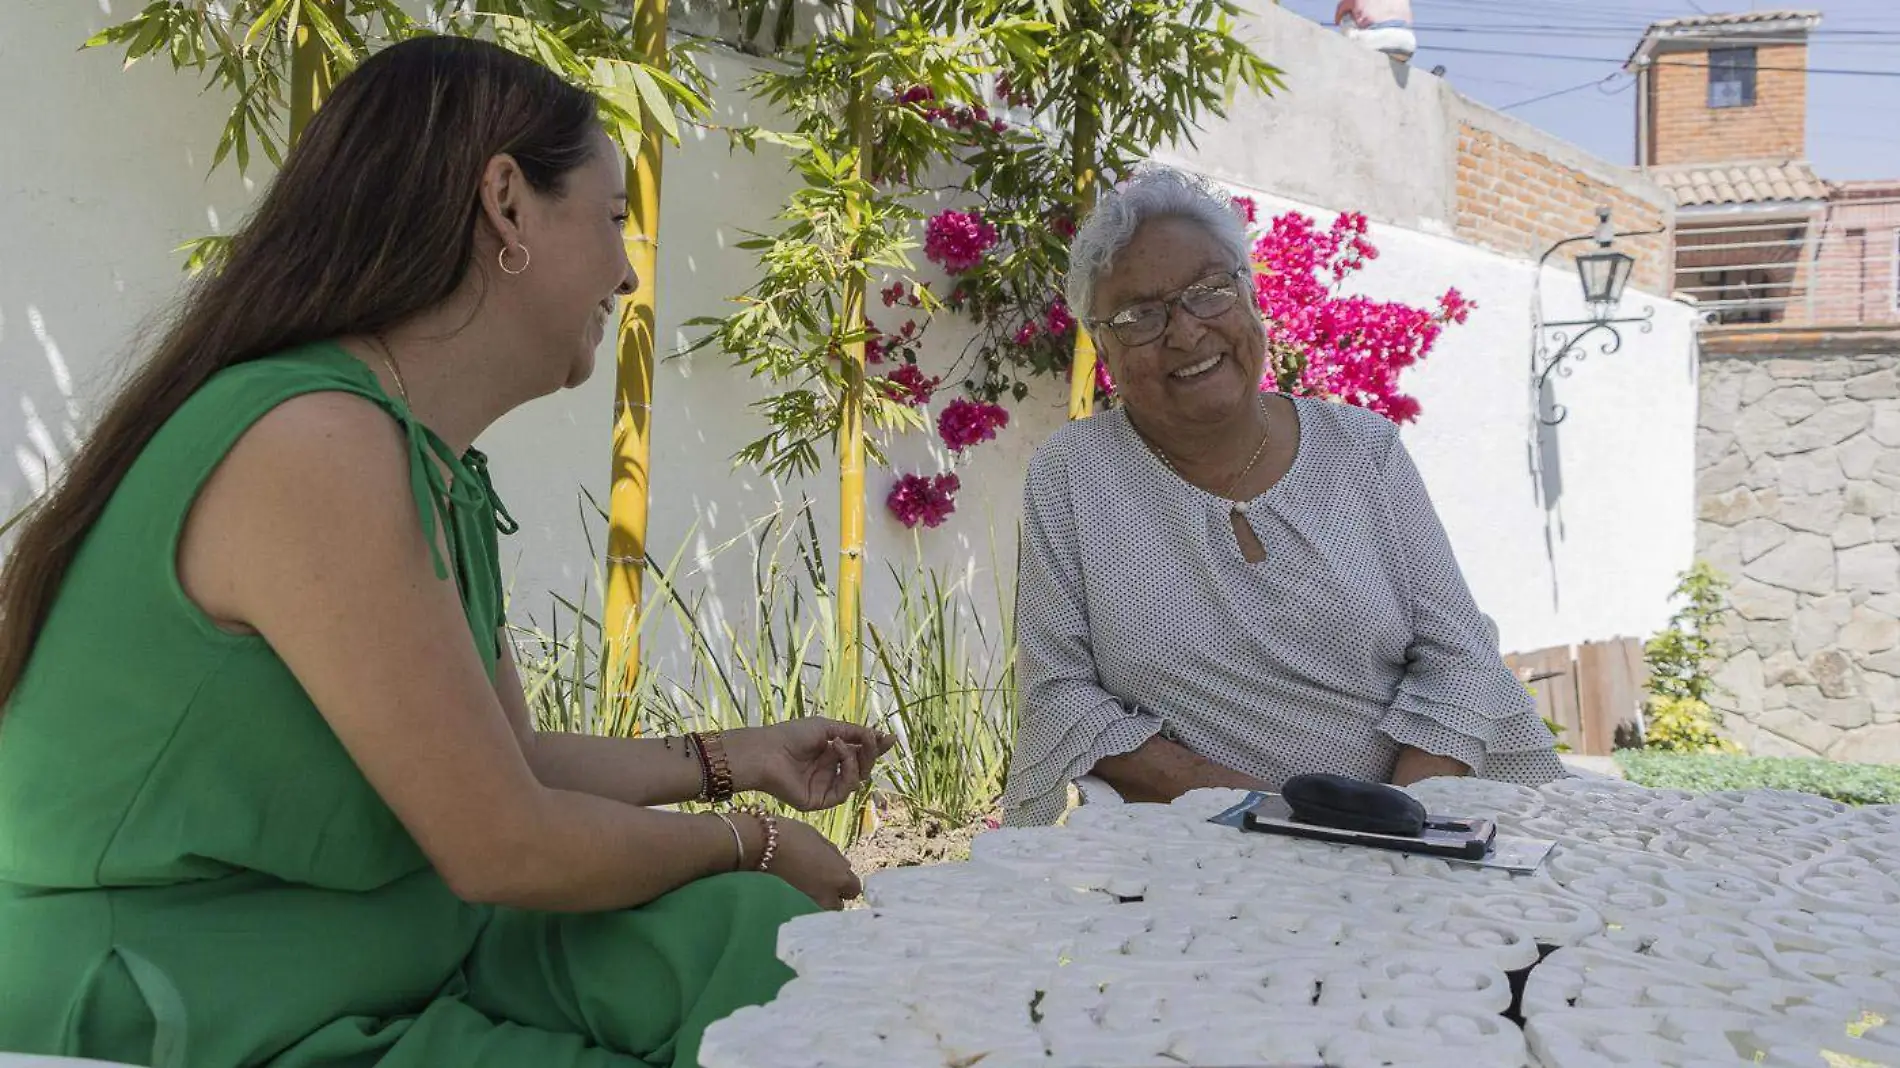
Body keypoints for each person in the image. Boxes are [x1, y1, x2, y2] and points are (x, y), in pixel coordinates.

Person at [0, 36, 889, 1068]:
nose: (625, 269)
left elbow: (500, 769)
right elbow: (504, 843)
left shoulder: (423, 461)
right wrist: (755, 839)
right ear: (506, 204)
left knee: (749, 947)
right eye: (611, 220)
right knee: (758, 990)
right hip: (200, 993)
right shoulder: (311, 444)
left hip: (384, 945)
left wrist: (736, 762)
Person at [997, 166, 1563, 828]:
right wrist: (1275, 812)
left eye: (1208, 292)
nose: (1184, 333)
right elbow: (1061, 696)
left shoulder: (1362, 448)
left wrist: (1396, 817)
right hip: (1210, 845)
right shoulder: (1074, 474)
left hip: (1430, 820)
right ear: (1103, 346)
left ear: (1250, 296)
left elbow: (1459, 654)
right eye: (1140, 315)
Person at [1335, 0, 1418, 61]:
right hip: (1409, 42)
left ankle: (1350, 41)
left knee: (1347, 16)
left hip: (1386, 36)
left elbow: (1338, 17)